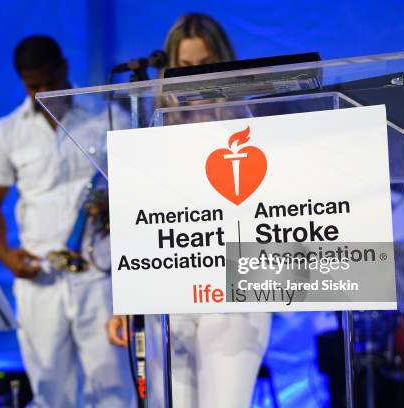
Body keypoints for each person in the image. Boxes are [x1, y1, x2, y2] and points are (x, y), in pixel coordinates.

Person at [106, 13, 271, 408]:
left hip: (235, 291)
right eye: (185, 67)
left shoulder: (252, 127)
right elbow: (138, 223)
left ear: (223, 64)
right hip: (172, 294)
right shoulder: (153, 133)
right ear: (169, 69)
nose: (195, 77)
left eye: (204, 65)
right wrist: (126, 301)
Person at [0, 35, 133, 408]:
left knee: (113, 391)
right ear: (21, 81)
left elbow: (142, 192)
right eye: (34, 86)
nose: (44, 92)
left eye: (50, 81)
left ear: (65, 68)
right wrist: (6, 255)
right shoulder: (7, 131)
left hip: (101, 276)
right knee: (50, 392)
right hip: (41, 278)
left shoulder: (109, 117)